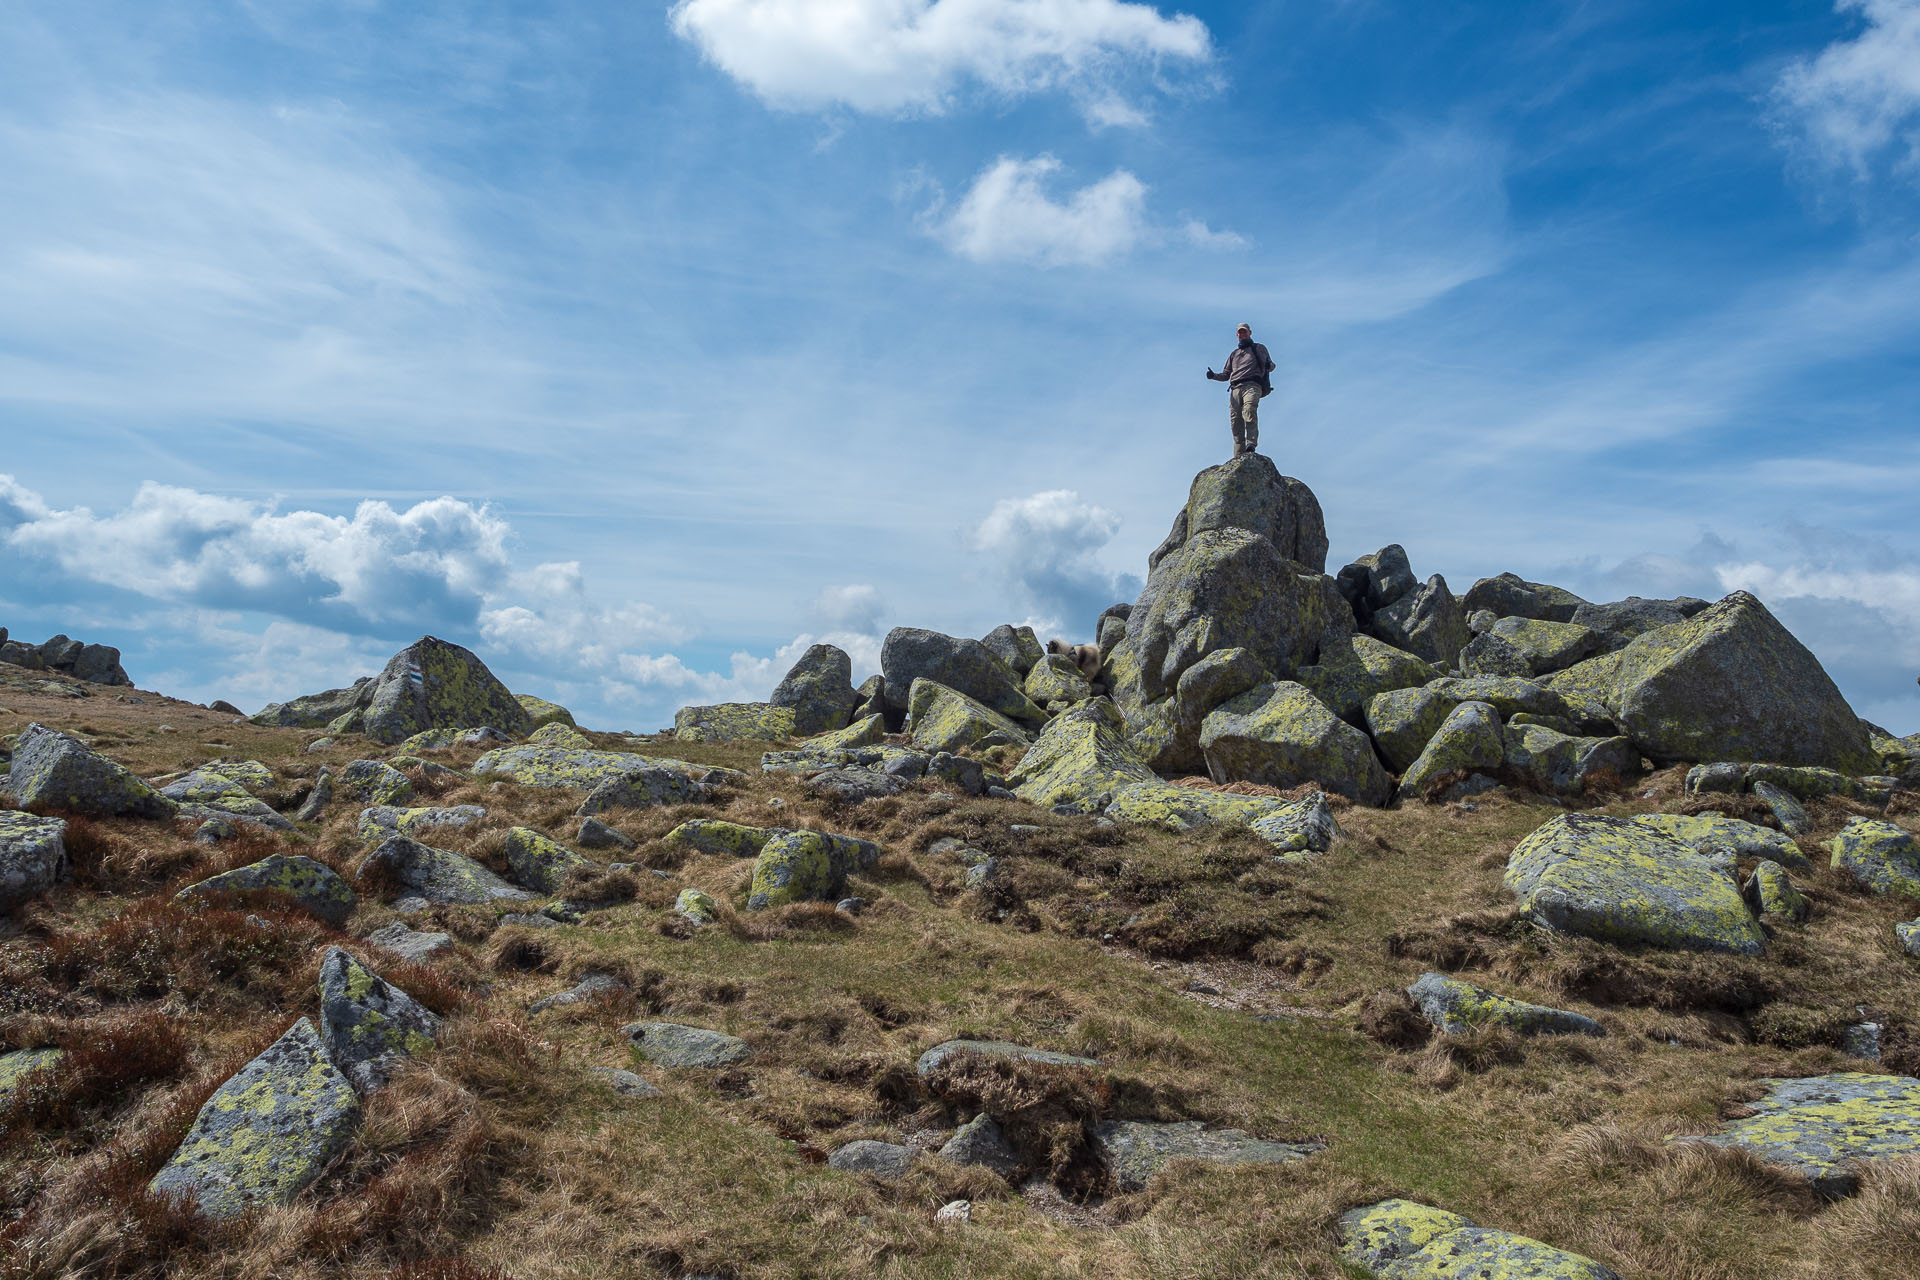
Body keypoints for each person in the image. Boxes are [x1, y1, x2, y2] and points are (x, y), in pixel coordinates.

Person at [1205, 323, 1275, 458]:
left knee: (1249, 410)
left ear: (1250, 332)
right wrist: (1213, 376)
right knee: (1236, 421)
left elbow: (1271, 365)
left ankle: (1251, 444)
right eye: (1240, 332)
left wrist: (1268, 365)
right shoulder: (1234, 354)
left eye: (1245, 332)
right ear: (1237, 335)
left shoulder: (1258, 348)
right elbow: (1226, 374)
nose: (1242, 334)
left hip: (1252, 385)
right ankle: (1238, 455)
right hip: (1235, 389)